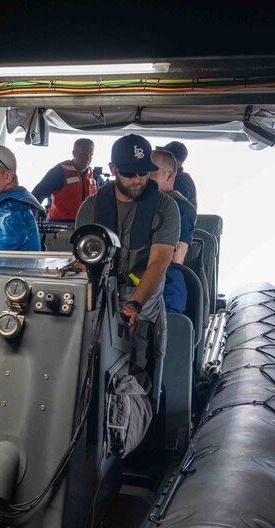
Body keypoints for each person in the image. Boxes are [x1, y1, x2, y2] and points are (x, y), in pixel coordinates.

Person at [75, 134, 179, 372]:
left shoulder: (166, 208)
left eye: (144, 173)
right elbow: (83, 263)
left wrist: (135, 304)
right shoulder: (91, 207)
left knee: (132, 374)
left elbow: (158, 263)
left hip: (141, 304)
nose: (138, 180)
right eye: (130, 173)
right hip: (98, 300)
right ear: (113, 169)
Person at [151, 148, 197, 315]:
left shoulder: (182, 208)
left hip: (167, 292)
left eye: (152, 174)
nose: (144, 180)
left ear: (169, 176)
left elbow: (177, 257)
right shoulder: (145, 204)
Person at [31, 137, 106, 223]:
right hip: (58, 226)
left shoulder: (96, 178)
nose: (88, 159)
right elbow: (36, 196)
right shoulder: (58, 172)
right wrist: (28, 223)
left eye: (91, 155)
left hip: (86, 225)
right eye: (84, 154)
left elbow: (106, 202)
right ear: (74, 153)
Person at [163, 140, 198, 210]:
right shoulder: (178, 178)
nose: (162, 160)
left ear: (176, 161)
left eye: (165, 157)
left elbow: (175, 209)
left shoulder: (180, 181)